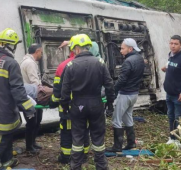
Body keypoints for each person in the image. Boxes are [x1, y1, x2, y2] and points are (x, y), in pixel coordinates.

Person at [61, 34, 115, 170]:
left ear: (77, 49)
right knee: (98, 138)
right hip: (96, 103)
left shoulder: (70, 65)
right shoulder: (100, 62)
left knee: (78, 138)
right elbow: (109, 86)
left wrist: (65, 107)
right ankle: (101, 166)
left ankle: (76, 167)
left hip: (77, 105)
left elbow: (65, 90)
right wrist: (109, 105)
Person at [0, 28, 36, 170]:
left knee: (6, 136)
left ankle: (6, 162)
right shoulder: (11, 63)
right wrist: (29, 107)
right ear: (12, 45)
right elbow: (18, 89)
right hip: (4, 107)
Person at [50, 36, 91, 164]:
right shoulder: (93, 63)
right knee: (84, 130)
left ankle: (66, 157)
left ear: (72, 49)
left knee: (67, 132)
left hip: (68, 107)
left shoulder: (63, 65)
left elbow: (58, 90)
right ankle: (84, 155)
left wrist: (53, 101)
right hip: (86, 106)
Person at [106, 38, 145, 152]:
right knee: (127, 117)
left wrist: (113, 91)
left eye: (123, 48)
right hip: (134, 94)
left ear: (130, 48)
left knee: (116, 119)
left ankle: (117, 146)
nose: (121, 50)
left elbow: (122, 80)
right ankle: (131, 143)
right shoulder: (139, 59)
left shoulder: (128, 62)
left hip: (125, 94)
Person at [161, 35, 181, 145]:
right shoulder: (171, 55)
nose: (173, 46)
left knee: (178, 117)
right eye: (171, 43)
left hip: (179, 95)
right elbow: (173, 66)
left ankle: (179, 140)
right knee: (170, 116)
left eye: (176, 44)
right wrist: (166, 68)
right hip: (169, 93)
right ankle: (172, 137)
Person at [20, 43, 44, 155]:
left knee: (36, 120)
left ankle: (32, 143)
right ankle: (29, 147)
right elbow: (34, 81)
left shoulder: (28, 62)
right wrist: (43, 91)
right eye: (41, 52)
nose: (42, 54)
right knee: (32, 122)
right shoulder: (30, 63)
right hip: (32, 96)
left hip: (30, 95)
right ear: (37, 51)